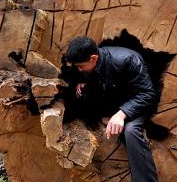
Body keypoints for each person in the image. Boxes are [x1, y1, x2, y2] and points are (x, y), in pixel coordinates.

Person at [65, 36, 158, 182]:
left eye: (80, 66)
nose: (79, 69)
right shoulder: (89, 64)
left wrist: (122, 114)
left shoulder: (128, 60)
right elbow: (96, 79)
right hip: (111, 102)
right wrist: (84, 84)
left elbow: (147, 94)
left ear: (94, 58)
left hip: (136, 103)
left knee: (131, 131)